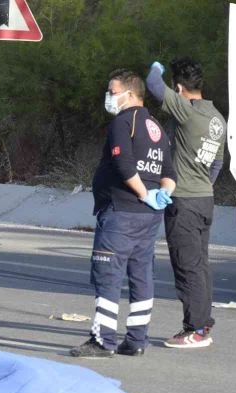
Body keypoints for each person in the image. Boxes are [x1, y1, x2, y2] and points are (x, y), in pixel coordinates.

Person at [70, 69, 177, 358]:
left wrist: (142, 193)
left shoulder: (123, 122)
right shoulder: (157, 127)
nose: (109, 97)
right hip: (148, 217)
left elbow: (124, 165)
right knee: (141, 275)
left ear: (130, 94)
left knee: (107, 273)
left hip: (121, 211)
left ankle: (103, 340)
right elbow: (169, 172)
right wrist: (160, 195)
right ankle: (136, 339)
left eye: (112, 91)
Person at [146, 57, 225, 349]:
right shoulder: (217, 117)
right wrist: (202, 184)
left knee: (187, 267)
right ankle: (203, 323)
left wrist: (156, 68)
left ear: (179, 87)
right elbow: (217, 162)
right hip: (205, 199)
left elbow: (154, 85)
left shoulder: (186, 111)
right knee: (200, 266)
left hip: (184, 202)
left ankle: (195, 330)